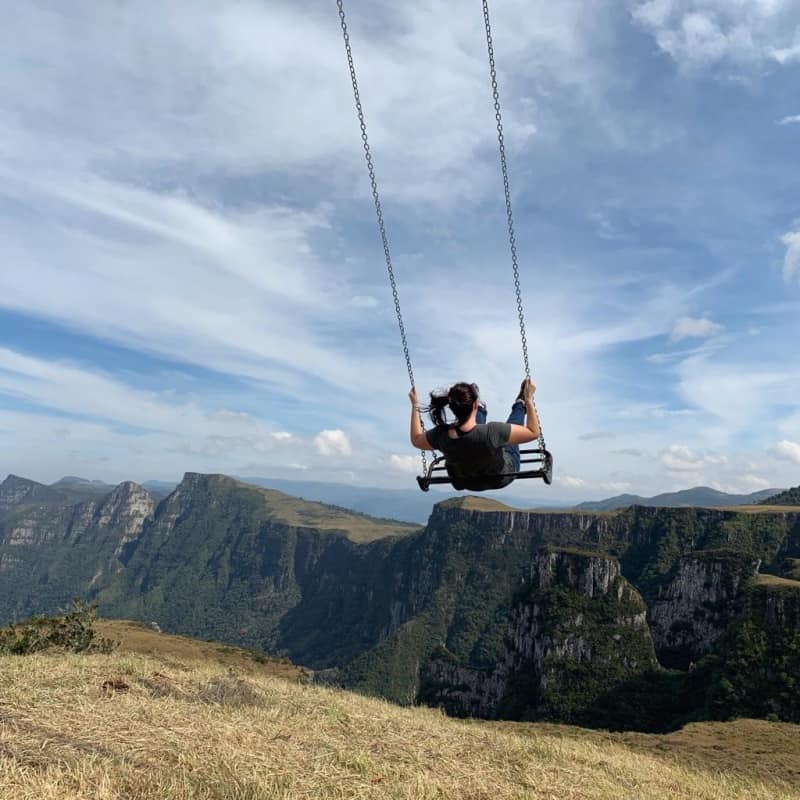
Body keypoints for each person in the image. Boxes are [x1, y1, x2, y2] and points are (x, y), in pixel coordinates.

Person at [408, 378, 541, 491]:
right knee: (509, 438)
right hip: (499, 478)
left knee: (477, 433)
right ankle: (520, 403)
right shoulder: (493, 432)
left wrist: (415, 405)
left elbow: (416, 439)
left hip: (464, 482)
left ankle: (481, 409)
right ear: (474, 404)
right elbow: (533, 432)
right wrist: (528, 399)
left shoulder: (441, 435)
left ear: (452, 407)